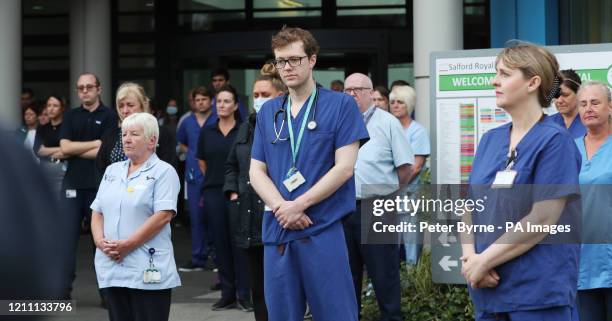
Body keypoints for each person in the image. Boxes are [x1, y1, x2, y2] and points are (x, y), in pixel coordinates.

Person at [249, 26, 369, 321]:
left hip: (321, 227)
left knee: (336, 313)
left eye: (294, 59)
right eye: (280, 61)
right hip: (278, 230)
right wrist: (283, 208)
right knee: (280, 315)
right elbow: (256, 170)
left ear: (312, 60)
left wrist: (299, 205)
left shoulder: (341, 105)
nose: (287, 67)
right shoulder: (269, 112)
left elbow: (344, 168)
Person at [461, 43, 581, 321]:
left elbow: (542, 218)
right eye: (496, 73)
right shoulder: (490, 140)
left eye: (504, 73)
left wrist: (484, 261)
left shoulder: (555, 141)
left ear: (532, 83)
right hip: (488, 290)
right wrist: (471, 260)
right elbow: (469, 204)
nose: (495, 80)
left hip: (536, 295)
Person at [91, 112, 181, 321]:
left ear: (152, 141)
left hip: (146, 266)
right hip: (112, 264)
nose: (127, 139)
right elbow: (98, 210)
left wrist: (128, 244)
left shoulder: (164, 172)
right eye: (124, 134)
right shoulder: (112, 171)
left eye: (134, 134)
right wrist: (100, 243)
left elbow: (163, 216)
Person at [342, 73, 413, 321]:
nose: (351, 94)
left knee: (384, 276)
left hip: (378, 206)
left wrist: (386, 192)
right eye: (347, 89)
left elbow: (406, 168)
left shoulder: (388, 122)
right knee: (346, 279)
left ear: (371, 93)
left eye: (357, 89)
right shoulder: (338, 122)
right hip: (343, 208)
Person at [224, 63, 286, 321]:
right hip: (247, 217)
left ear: (280, 96)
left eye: (265, 95)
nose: (259, 100)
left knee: (280, 286)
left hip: (277, 216)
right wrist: (233, 193)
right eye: (256, 95)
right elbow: (232, 165)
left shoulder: (286, 126)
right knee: (258, 287)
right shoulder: (246, 126)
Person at [59, 72, 117, 297]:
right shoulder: (71, 116)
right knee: (66, 243)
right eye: (81, 88)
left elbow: (106, 151)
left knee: (101, 243)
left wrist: (76, 148)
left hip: (99, 188)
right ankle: (62, 294)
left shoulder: (110, 116)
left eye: (89, 87)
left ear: (99, 89)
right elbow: (64, 148)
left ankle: (107, 295)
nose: (85, 91)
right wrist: (95, 144)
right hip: (72, 186)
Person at [197, 84, 251, 311]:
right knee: (219, 244)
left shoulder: (244, 129)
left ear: (236, 105)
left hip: (239, 193)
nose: (222, 105)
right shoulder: (207, 132)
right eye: (219, 101)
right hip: (213, 193)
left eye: (227, 101)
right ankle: (227, 294)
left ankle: (244, 294)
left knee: (240, 244)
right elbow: (202, 162)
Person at [574, 81, 612, 321]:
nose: (588, 108)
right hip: (579, 263)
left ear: (610, 107)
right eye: (583, 104)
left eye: (595, 102)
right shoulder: (567, 149)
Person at [96, 82, 177, 182]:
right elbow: (100, 170)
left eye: (130, 105)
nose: (125, 110)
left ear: (143, 105)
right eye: (121, 106)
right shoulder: (111, 135)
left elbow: (169, 168)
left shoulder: (161, 133)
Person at [176, 86, 216, 272]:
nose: (200, 103)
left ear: (211, 100)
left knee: (215, 218)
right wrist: (193, 154)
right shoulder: (187, 122)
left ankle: (218, 258)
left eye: (204, 99)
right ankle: (198, 258)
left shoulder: (217, 118)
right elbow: (182, 143)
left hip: (214, 173)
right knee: (196, 218)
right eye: (197, 100)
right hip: (194, 176)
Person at [34, 95, 67, 195]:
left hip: (64, 168)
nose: (51, 109)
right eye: (49, 105)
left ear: (62, 108)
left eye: (55, 106)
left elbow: (70, 151)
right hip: (45, 169)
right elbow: (38, 150)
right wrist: (62, 149)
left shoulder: (67, 126)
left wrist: (46, 150)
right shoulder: (42, 128)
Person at [550, 69, 586, 139]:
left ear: (579, 94)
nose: (559, 100)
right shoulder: (547, 123)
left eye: (565, 95)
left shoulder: (591, 123)